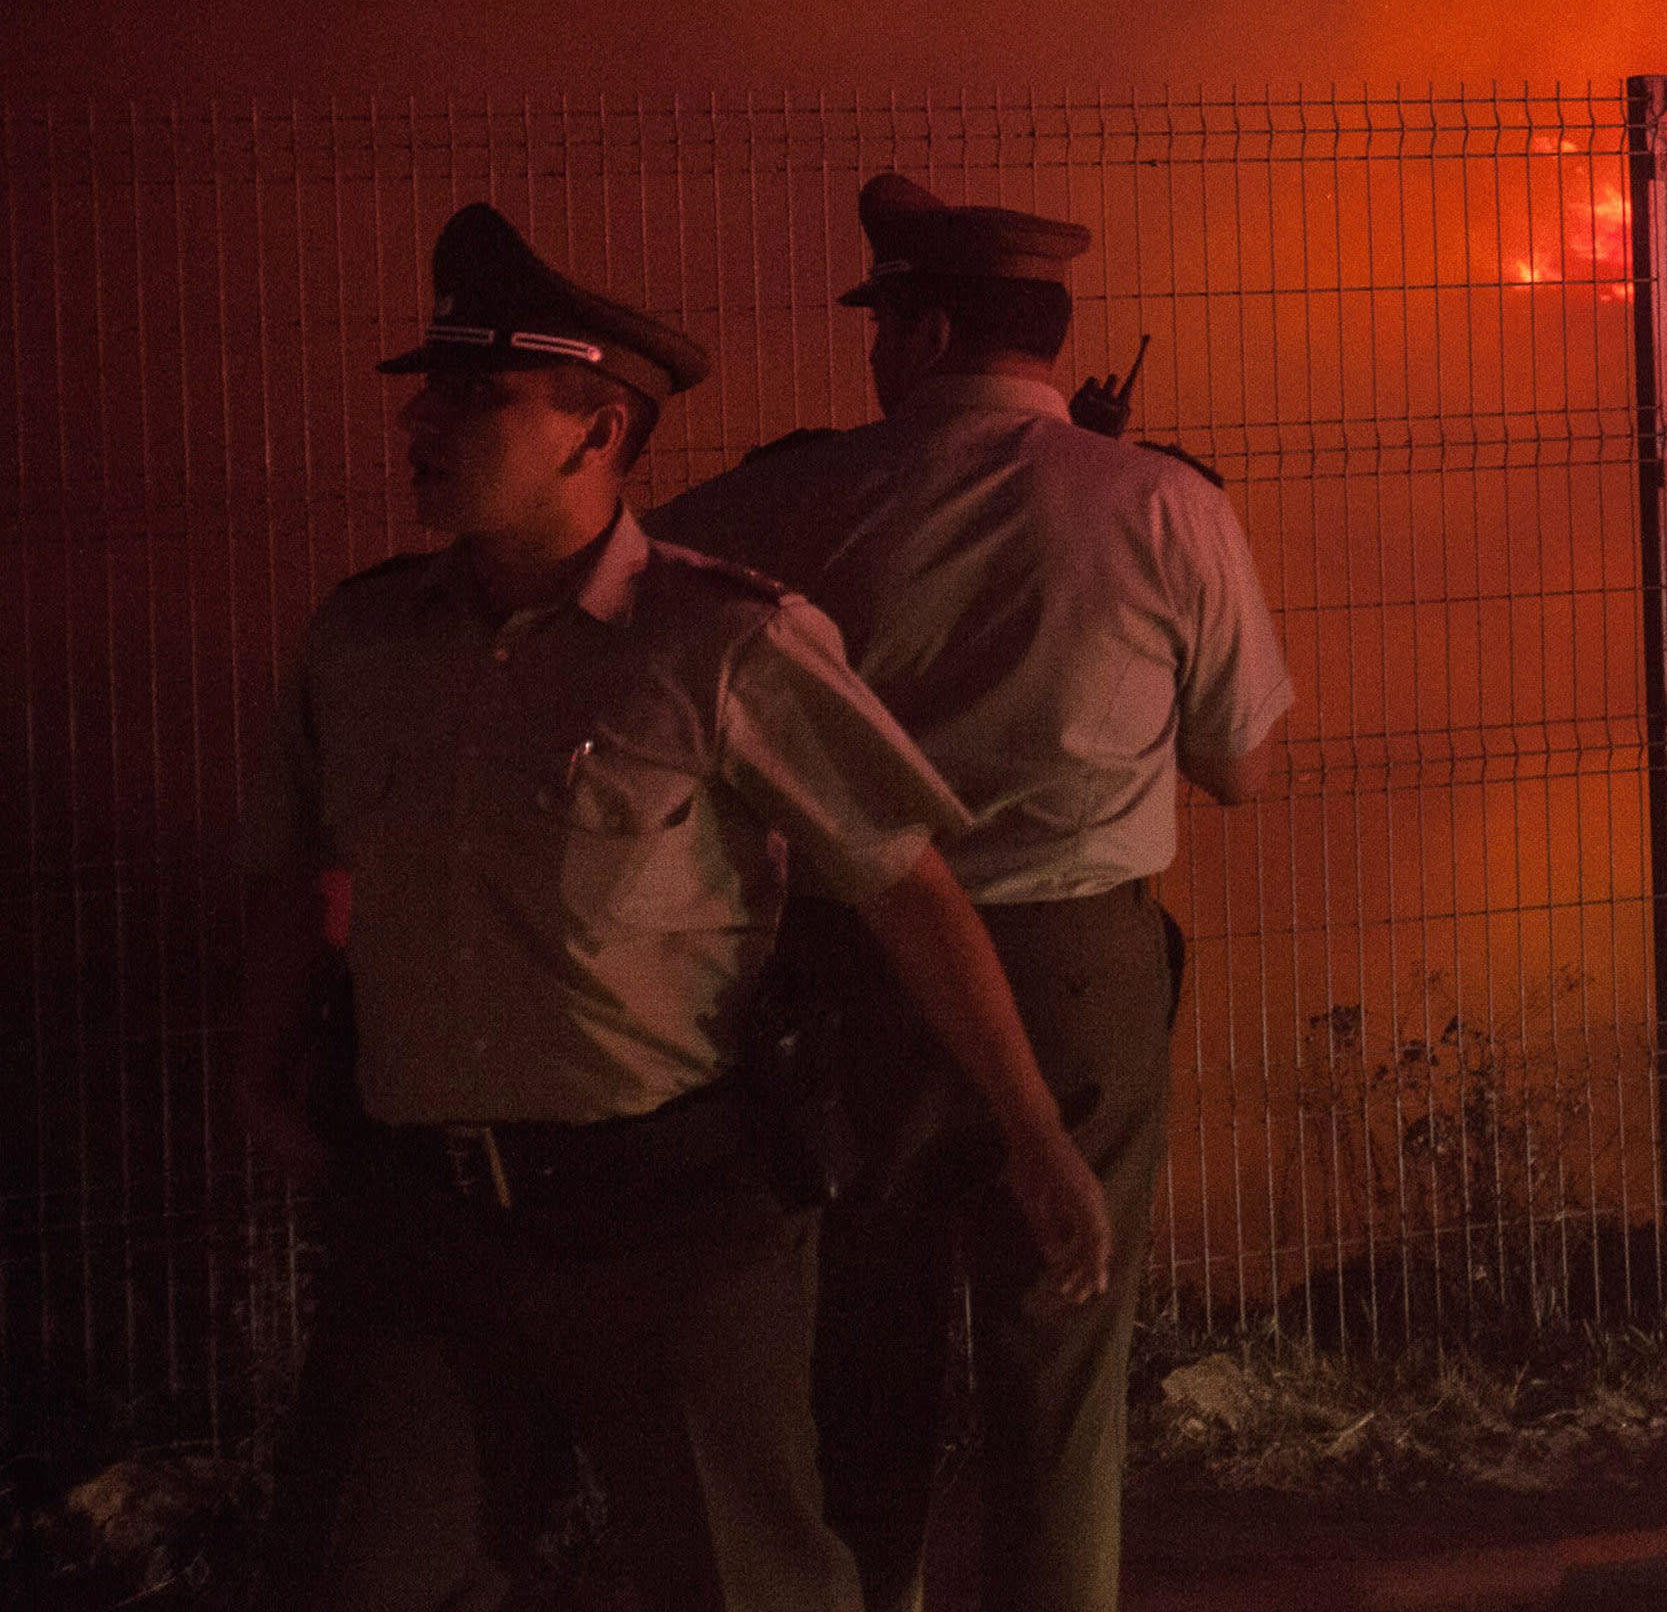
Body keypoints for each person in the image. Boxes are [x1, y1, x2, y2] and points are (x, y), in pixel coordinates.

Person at [239, 202, 1114, 1612]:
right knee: (356, 1576)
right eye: (429, 388)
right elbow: (302, 865)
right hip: (426, 1220)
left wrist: (1030, 1129)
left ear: (597, 429)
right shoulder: (360, 642)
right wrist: (260, 1064)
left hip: (671, 1222)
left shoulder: (724, 643)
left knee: (738, 1580)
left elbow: (904, 881)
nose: (426, 421)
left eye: (479, 393)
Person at [651, 173, 1292, 1612]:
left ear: (927, 329)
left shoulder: (792, 494)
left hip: (852, 970)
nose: (873, 352)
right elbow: (1243, 767)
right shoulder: (1169, 506)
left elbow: (647, 618)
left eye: (884, 323)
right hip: (1078, 984)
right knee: (1057, 1369)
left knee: (861, 1360)